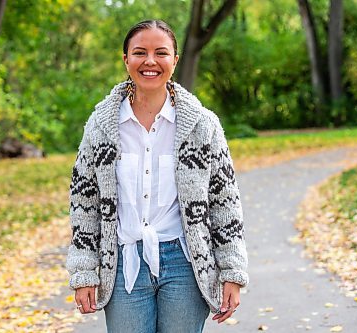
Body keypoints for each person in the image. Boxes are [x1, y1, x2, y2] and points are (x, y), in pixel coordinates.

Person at [66, 19, 248, 333]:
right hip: (123, 263)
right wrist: (84, 271)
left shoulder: (203, 126)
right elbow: (84, 203)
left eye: (160, 53)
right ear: (126, 60)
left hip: (186, 262)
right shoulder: (100, 126)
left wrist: (232, 271)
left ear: (174, 61)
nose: (150, 61)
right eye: (140, 53)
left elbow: (224, 202)